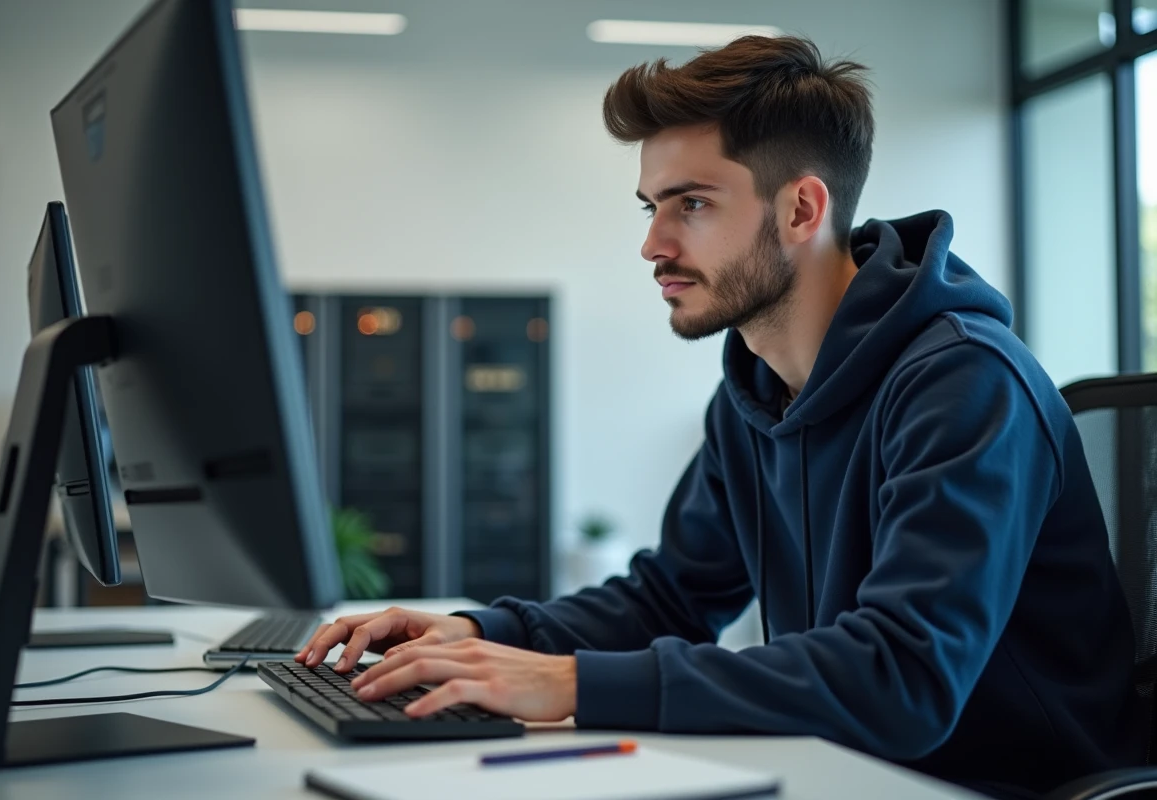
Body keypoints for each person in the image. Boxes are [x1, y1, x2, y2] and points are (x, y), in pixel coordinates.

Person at [296, 34, 1144, 798]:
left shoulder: (965, 385)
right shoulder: (756, 390)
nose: (653, 243)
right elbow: (671, 597)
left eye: (690, 204)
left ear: (801, 210)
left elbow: (902, 679)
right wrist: (481, 632)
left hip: (992, 787)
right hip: (843, 770)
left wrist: (568, 683)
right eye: (650, 206)